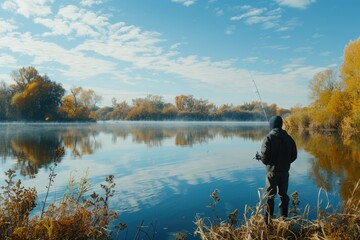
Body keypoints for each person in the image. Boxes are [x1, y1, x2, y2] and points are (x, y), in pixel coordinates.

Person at [256, 115, 297, 223]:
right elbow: (294, 156)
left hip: (272, 173)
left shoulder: (268, 138)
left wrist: (260, 157)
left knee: (270, 197)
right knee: (284, 195)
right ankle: (284, 220)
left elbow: (265, 159)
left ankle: (267, 222)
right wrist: (285, 163)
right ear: (280, 124)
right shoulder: (289, 138)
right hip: (285, 172)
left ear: (272, 125)